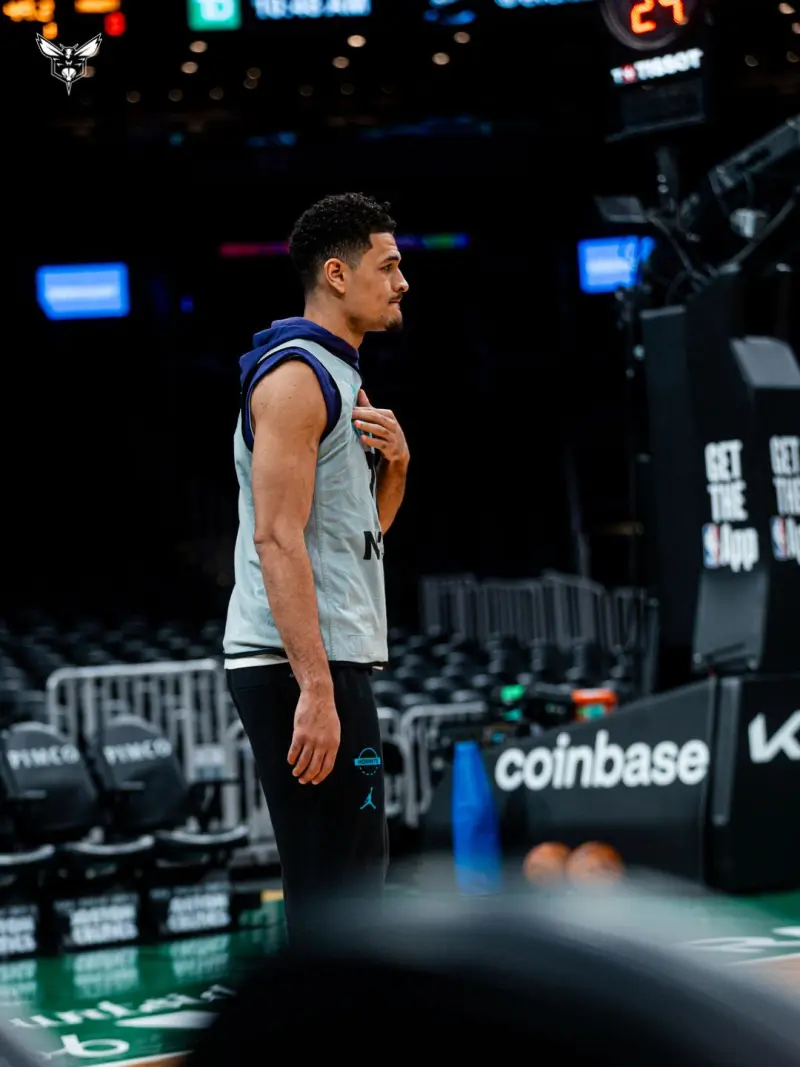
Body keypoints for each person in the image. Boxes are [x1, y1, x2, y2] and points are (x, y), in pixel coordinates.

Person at [223, 192, 411, 939]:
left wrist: (397, 469)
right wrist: (316, 687)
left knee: (353, 880)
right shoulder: (298, 379)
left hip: (325, 659)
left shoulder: (338, 375)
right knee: (336, 885)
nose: (401, 282)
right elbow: (276, 539)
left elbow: (356, 538)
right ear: (337, 273)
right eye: (388, 265)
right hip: (296, 664)